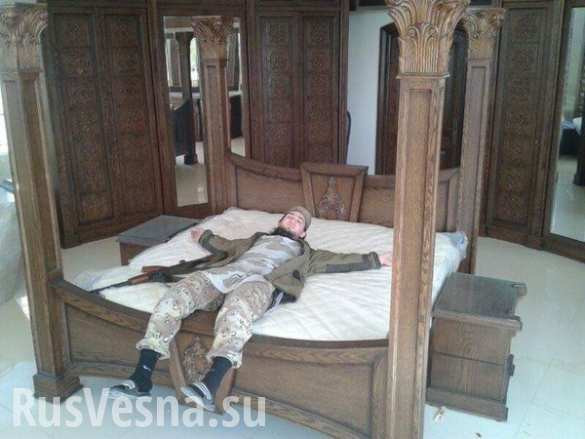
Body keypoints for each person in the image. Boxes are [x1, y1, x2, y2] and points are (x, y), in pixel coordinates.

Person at [109, 206, 391, 411]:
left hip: (260, 283)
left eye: (298, 221)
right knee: (176, 296)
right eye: (289, 216)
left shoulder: (308, 255)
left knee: (237, 309)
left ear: (303, 232)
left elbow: (341, 260)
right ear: (280, 221)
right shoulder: (255, 239)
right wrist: (204, 237)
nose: (292, 220)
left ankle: (210, 385)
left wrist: (376, 259)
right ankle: (142, 376)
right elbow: (226, 246)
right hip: (222, 276)